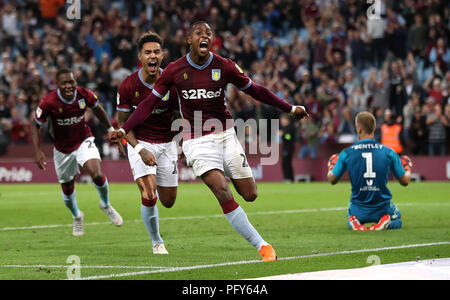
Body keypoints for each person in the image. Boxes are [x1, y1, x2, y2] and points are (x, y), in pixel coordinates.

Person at [109, 21, 309, 262]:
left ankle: (236, 186)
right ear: (189, 40)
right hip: (195, 139)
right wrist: (125, 130)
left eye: (208, 33)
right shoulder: (174, 70)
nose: (204, 36)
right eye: (198, 33)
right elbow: (147, 105)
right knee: (221, 189)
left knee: (250, 194)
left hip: (226, 135)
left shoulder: (224, 66)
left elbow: (255, 90)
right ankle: (262, 246)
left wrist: (290, 108)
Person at [30, 68, 124, 237]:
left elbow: (98, 109)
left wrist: (111, 129)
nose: (68, 86)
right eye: (64, 83)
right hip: (62, 150)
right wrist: (37, 151)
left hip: (83, 140)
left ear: (75, 82)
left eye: (71, 82)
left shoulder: (83, 94)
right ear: (57, 84)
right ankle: (77, 216)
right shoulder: (48, 102)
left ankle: (105, 204)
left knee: (96, 174)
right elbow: (35, 125)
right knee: (67, 188)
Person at [116, 32, 180, 254]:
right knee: (148, 192)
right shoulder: (128, 85)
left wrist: (183, 143)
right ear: (140, 57)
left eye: (156, 52)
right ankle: (157, 242)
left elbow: (183, 116)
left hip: (168, 144)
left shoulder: (173, 83)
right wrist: (140, 149)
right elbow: (123, 124)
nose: (152, 56)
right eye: (147, 52)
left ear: (162, 56)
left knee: (168, 201)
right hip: (140, 141)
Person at [327, 111, 412, 231]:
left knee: (350, 214)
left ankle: (354, 220)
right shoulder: (389, 152)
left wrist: (331, 167)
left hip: (358, 208)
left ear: (359, 129)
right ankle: (386, 221)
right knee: (397, 219)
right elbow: (405, 181)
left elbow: (332, 179)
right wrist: (408, 168)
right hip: (382, 207)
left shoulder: (346, 153)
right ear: (374, 128)